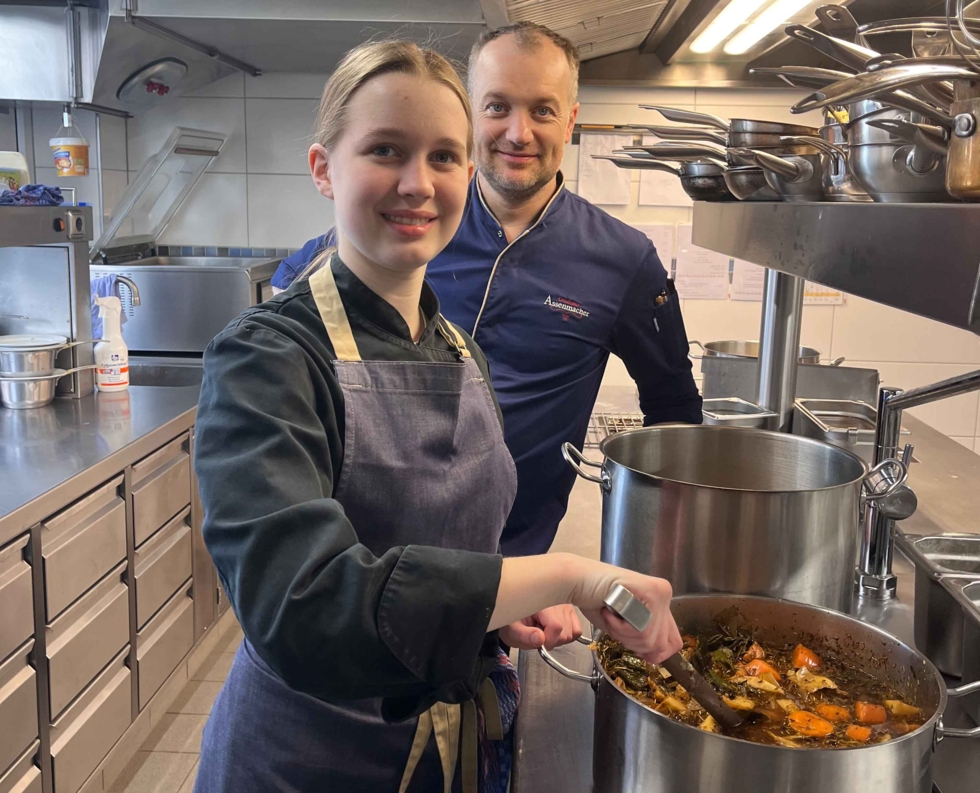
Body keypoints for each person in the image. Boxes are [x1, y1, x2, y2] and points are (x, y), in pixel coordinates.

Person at [193, 40, 682, 793]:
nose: (418, 184)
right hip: (306, 760)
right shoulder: (267, 358)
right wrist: (569, 575)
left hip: (442, 752)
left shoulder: (454, 348)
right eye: (386, 150)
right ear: (324, 168)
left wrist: (496, 611)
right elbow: (302, 607)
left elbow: (437, 546)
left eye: (444, 157)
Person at [270, 22, 702, 560]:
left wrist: (664, 546)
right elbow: (292, 293)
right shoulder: (415, 221)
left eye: (542, 110)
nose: (519, 133)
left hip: (514, 566)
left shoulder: (624, 260)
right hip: (365, 558)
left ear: (570, 120)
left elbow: (675, 407)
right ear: (471, 116)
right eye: (497, 107)